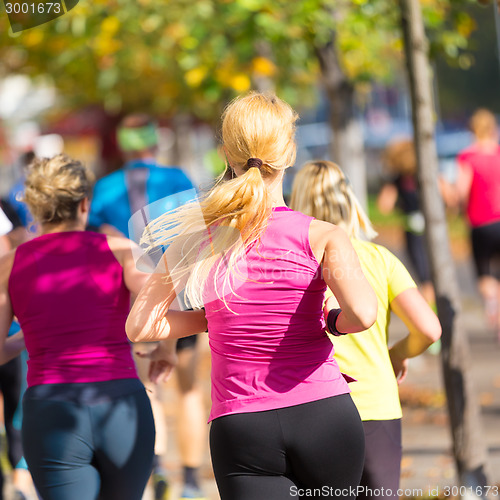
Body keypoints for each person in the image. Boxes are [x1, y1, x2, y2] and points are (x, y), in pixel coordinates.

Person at [126, 92, 378, 500]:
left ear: (226, 153)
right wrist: (332, 321)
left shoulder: (197, 239)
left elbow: (140, 325)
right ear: (290, 153)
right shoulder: (323, 235)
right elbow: (364, 314)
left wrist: (213, 317)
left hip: (242, 427)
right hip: (324, 416)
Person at [0, 154, 162, 500]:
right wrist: (167, 350)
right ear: (84, 203)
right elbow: (164, 295)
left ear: (34, 207)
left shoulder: (9, 265)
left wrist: (28, 337)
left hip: (52, 413)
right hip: (122, 406)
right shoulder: (120, 251)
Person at [289, 160, 442, 499]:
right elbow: (429, 329)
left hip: (314, 406)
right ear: (351, 201)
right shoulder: (379, 259)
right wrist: (395, 355)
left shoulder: (294, 262)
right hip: (376, 406)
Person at [89, 113, 207, 500]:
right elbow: (197, 235)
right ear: (155, 141)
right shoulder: (177, 180)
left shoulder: (104, 189)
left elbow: (99, 245)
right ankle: (189, 481)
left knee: (147, 387)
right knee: (188, 391)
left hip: (134, 302)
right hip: (184, 294)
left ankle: (155, 468)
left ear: (123, 144)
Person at [453, 109, 500, 340]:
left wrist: (454, 204)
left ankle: (493, 306)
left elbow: (461, 191)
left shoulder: (467, 157)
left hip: (480, 223)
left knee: (484, 273)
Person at [376, 139, 435, 305]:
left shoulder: (397, 180)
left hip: (413, 231)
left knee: (424, 278)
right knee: (431, 274)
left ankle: (430, 313)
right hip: (431, 229)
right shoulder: (426, 174)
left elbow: (383, 206)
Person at [0, 199, 31, 500]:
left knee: (16, 411)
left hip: (10, 333)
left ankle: (19, 479)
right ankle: (20, 478)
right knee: (16, 413)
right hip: (11, 333)